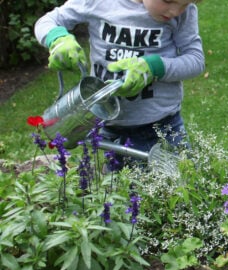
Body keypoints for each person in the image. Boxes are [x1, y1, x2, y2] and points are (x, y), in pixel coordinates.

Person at [34, 0, 205, 169]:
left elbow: (196, 60)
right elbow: (47, 21)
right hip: (110, 126)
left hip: (163, 127)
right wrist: (58, 39)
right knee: (117, 192)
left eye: (184, 4)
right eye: (168, 1)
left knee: (179, 189)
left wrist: (154, 67)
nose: (175, 11)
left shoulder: (185, 14)